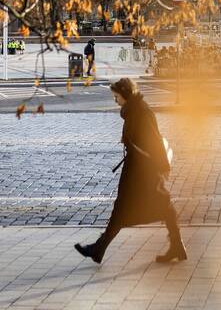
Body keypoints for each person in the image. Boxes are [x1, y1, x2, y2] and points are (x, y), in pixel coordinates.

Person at [74, 78, 185, 264]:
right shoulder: (134, 110)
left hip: (143, 171)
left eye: (116, 96)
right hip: (137, 168)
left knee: (136, 207)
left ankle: (99, 249)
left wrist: (163, 168)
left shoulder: (141, 112)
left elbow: (155, 142)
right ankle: (176, 246)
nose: (115, 100)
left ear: (125, 95)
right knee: (156, 206)